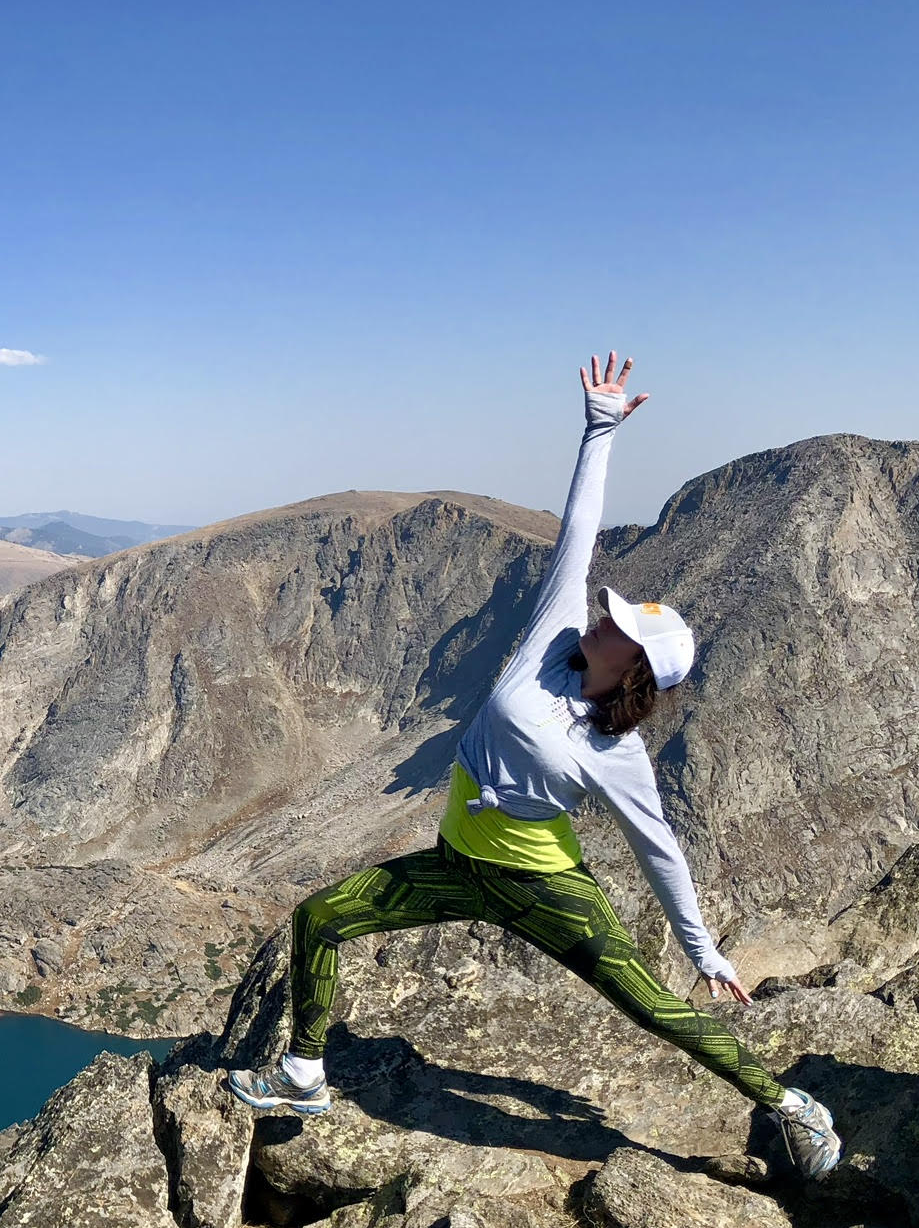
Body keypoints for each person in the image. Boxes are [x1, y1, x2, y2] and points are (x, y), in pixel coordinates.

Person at [226, 353, 842, 1178]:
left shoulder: (613, 751)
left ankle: (790, 1104)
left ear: (637, 670)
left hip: (542, 885)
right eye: (612, 613)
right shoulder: (554, 639)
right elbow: (578, 531)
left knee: (651, 1007)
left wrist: (704, 952)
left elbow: (659, 846)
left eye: (619, 627)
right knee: (320, 917)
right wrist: (600, 431)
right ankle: (303, 1076)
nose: (602, 617)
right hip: (457, 864)